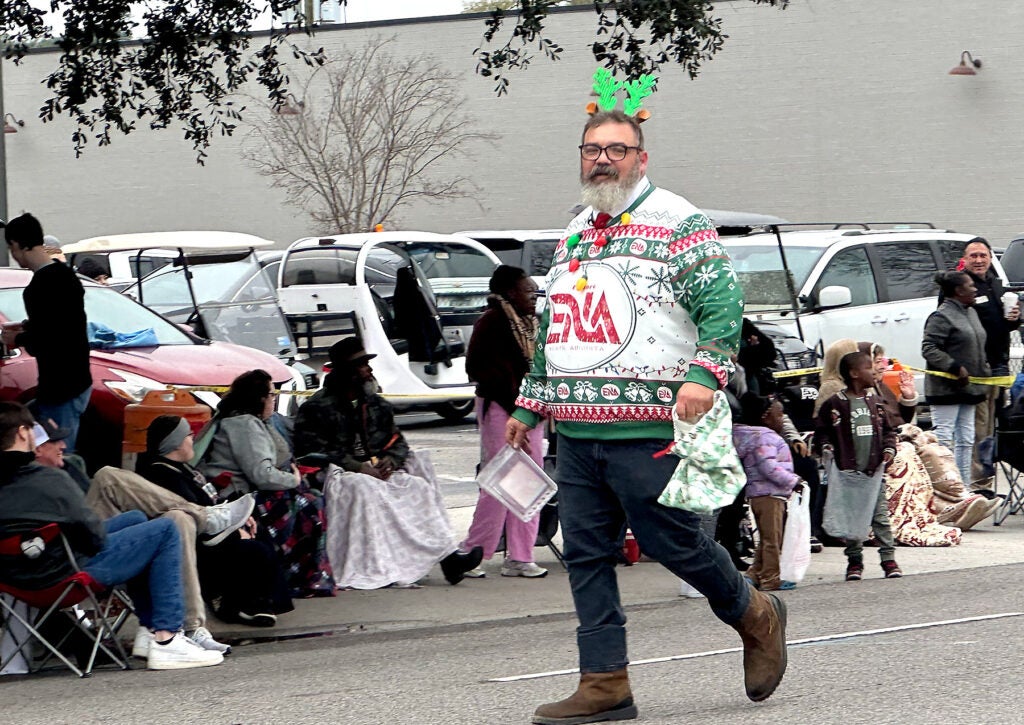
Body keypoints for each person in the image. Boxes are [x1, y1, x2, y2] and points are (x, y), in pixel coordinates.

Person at [506, 108, 787, 724]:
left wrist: (703, 375)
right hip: (576, 431)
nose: (601, 159)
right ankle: (605, 682)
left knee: (675, 542)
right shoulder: (575, 232)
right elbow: (555, 327)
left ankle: (754, 612)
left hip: (650, 426)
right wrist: (530, 404)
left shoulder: (679, 222)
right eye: (591, 149)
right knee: (584, 553)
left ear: (641, 158)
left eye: (616, 149)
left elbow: (723, 307)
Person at [0, 401, 223, 670]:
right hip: (63, 576)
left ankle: (148, 628)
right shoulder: (49, 480)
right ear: (24, 434)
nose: (62, 445)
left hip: (15, 579)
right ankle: (166, 637)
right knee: (165, 530)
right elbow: (93, 536)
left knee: (137, 520)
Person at [41, 423, 250, 655]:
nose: (63, 445)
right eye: (54, 441)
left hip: (89, 543)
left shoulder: (62, 471)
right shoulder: (30, 482)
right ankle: (207, 519)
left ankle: (180, 628)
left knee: (176, 518)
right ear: (33, 445)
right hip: (72, 561)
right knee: (109, 477)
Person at [293, 338, 483, 588]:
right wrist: (359, 467)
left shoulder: (376, 405)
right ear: (347, 371)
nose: (369, 370)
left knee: (417, 488)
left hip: (377, 470)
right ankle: (381, 564)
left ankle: (447, 558)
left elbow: (398, 442)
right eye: (362, 365)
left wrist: (390, 461)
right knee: (365, 489)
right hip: (339, 474)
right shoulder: (316, 407)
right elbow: (312, 449)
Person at [136, 415, 293, 627]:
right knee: (253, 549)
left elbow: (205, 501)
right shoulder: (163, 475)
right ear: (176, 443)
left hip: (207, 528)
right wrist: (234, 529)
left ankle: (261, 601)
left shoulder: (180, 468)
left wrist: (240, 516)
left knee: (257, 527)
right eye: (189, 435)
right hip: (193, 540)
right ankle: (232, 604)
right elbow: (192, 513)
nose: (193, 439)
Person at [198, 369, 335, 598]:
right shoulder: (244, 425)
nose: (274, 399)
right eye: (272, 395)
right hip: (238, 496)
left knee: (310, 497)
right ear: (260, 398)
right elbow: (262, 474)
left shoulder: (248, 421)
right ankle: (298, 577)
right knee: (310, 504)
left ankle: (300, 575)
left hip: (245, 490)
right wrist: (293, 479)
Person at [460, 265, 547, 579]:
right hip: (501, 408)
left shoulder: (531, 324)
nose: (534, 297)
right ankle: (473, 552)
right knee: (501, 480)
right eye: (528, 291)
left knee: (529, 482)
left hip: (530, 409)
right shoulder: (492, 322)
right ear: (510, 292)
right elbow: (480, 369)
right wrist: (516, 412)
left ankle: (521, 556)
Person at [0, 213, 92, 451]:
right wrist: (28, 326)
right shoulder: (66, 276)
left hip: (60, 386)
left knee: (58, 453)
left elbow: (50, 339)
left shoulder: (39, 287)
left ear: (18, 245)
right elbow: (64, 324)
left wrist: (17, 338)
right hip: (78, 380)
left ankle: (67, 488)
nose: (13, 254)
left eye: (11, 247)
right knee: (47, 444)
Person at [814, 351, 902, 581]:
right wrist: (826, 447)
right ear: (854, 374)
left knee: (880, 517)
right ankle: (854, 561)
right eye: (868, 368)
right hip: (848, 474)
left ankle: (888, 559)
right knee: (854, 519)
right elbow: (822, 432)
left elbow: (890, 431)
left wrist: (889, 449)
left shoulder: (877, 403)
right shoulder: (835, 405)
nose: (874, 371)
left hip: (873, 473)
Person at [959, 240, 1020, 486]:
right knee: (979, 426)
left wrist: (1015, 319)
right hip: (976, 370)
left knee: (996, 425)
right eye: (973, 255)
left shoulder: (996, 285)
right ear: (965, 258)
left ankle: (988, 475)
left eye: (983, 255)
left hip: (999, 366)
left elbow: (1005, 324)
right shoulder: (960, 287)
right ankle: (978, 482)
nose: (979, 260)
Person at [922, 271, 990, 486]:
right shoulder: (941, 316)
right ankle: (944, 488)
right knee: (943, 439)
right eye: (971, 286)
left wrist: (984, 368)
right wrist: (953, 366)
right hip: (946, 390)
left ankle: (963, 488)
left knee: (966, 440)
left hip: (970, 389)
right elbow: (929, 348)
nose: (975, 289)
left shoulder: (971, 312)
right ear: (959, 291)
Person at [733, 394, 802, 591]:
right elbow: (768, 467)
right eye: (779, 415)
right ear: (766, 416)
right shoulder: (764, 437)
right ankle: (771, 578)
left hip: (761, 494)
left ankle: (754, 574)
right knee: (773, 539)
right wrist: (793, 480)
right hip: (770, 494)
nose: (782, 419)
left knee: (766, 538)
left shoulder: (748, 436)